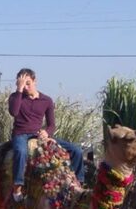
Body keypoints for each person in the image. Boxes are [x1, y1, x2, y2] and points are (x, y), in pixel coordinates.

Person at [9, 68, 84, 201]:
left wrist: (46, 132)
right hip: (21, 134)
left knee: (77, 151)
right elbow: (14, 112)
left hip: (38, 135)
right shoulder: (16, 97)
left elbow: (51, 125)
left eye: (28, 83)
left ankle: (79, 186)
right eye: (21, 83)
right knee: (21, 152)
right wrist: (19, 90)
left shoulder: (46, 100)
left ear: (35, 81)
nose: (25, 87)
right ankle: (17, 187)